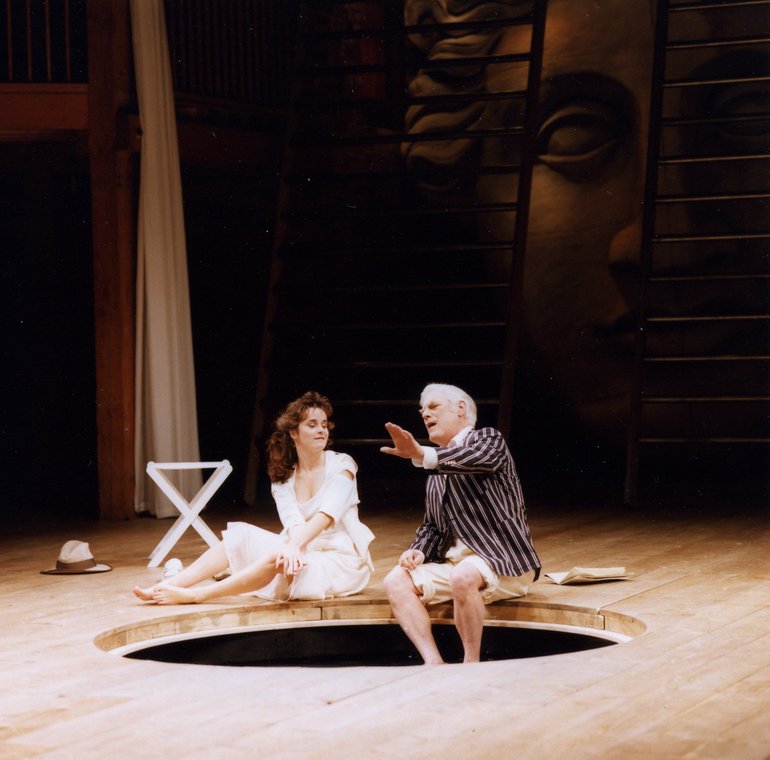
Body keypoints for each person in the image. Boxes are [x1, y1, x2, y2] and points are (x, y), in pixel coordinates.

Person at [132, 391, 374, 605]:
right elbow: (292, 521)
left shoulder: (343, 465)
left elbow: (326, 515)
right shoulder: (284, 475)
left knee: (278, 557)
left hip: (341, 562)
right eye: (312, 425)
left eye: (324, 424)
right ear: (294, 433)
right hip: (301, 548)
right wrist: (295, 547)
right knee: (239, 536)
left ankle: (197, 595)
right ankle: (169, 585)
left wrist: (293, 547)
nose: (321, 430)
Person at [380, 383, 540, 664]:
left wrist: (422, 455)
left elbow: (475, 459)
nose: (425, 414)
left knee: (462, 575)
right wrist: (418, 551)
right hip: (459, 568)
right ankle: (434, 663)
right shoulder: (436, 468)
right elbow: (433, 526)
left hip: (503, 563)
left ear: (461, 409)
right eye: (422, 410)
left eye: (433, 407)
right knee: (395, 580)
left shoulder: (488, 439)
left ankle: (470, 664)